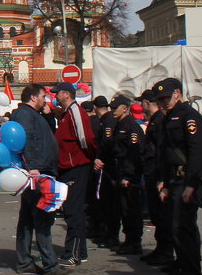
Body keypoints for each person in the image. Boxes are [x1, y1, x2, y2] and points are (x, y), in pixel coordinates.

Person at [154, 77, 202, 275]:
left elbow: (196, 152)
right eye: (160, 100)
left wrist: (192, 185)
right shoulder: (167, 119)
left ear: (177, 93)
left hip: (186, 181)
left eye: (166, 97)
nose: (163, 103)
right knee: (176, 231)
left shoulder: (189, 116)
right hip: (173, 181)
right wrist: (164, 182)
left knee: (184, 231)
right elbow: (164, 153)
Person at [10, 83, 67, 275]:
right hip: (37, 173)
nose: (46, 99)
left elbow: (44, 132)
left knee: (27, 219)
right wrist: (33, 168)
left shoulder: (34, 114)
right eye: (43, 96)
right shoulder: (26, 115)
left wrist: (48, 113)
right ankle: (50, 264)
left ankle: (24, 261)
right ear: (34, 97)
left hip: (39, 170)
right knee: (43, 218)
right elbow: (29, 141)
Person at [52, 81, 96, 265]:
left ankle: (74, 253)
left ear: (67, 94)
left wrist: (90, 157)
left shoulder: (75, 112)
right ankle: (79, 251)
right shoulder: (66, 114)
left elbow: (85, 138)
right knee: (71, 209)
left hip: (75, 166)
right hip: (69, 166)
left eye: (58, 93)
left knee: (73, 211)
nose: (55, 96)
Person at [106, 97, 146, 255]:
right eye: (111, 107)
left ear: (125, 108)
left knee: (132, 209)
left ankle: (135, 242)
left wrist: (128, 176)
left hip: (130, 175)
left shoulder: (131, 127)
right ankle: (129, 240)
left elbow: (134, 153)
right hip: (120, 172)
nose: (112, 110)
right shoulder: (118, 125)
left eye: (116, 107)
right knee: (124, 209)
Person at [139, 88, 173, 265]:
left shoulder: (159, 119)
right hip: (151, 171)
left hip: (156, 172)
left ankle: (166, 252)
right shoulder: (155, 119)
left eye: (142, 102)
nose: (140, 105)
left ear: (147, 103)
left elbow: (160, 150)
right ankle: (161, 249)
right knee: (156, 214)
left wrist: (160, 176)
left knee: (161, 215)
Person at [88, 95, 116, 249]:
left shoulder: (107, 121)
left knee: (107, 202)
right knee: (104, 201)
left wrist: (99, 158)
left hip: (107, 167)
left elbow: (106, 143)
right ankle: (105, 232)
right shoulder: (106, 120)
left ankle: (108, 233)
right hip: (107, 166)